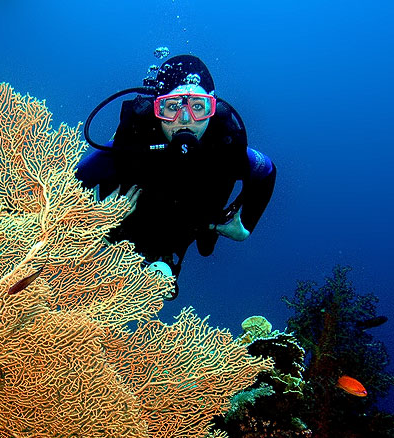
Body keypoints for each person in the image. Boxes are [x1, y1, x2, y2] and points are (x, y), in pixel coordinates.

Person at [76, 54, 276, 299]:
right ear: (157, 108)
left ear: (212, 109)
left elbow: (266, 171)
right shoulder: (133, 143)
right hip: (123, 232)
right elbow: (76, 179)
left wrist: (244, 229)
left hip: (191, 227)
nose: (184, 119)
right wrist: (97, 217)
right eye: (172, 107)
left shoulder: (226, 145)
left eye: (198, 107)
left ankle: (172, 256)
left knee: (205, 247)